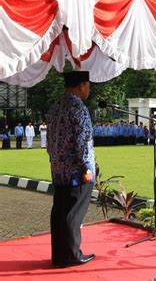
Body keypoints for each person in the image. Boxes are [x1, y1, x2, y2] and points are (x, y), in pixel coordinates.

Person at [47, 71, 96, 268]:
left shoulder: (55, 107)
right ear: (81, 86)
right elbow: (82, 140)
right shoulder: (78, 108)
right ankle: (71, 255)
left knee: (59, 212)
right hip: (76, 170)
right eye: (88, 86)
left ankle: (59, 254)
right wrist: (87, 166)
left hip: (58, 168)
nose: (89, 90)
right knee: (73, 213)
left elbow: (50, 140)